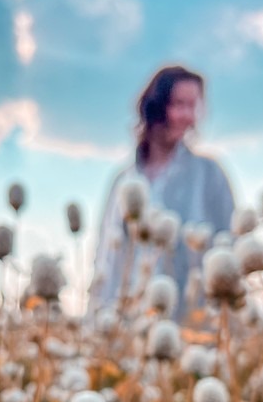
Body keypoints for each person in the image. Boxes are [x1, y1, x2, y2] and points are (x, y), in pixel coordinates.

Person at [89, 65, 235, 320]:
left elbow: (231, 247)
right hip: (127, 323)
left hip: (192, 323)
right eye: (179, 104)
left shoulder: (210, 174)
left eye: (193, 106)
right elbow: (106, 258)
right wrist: (97, 317)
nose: (188, 116)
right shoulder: (123, 181)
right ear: (155, 107)